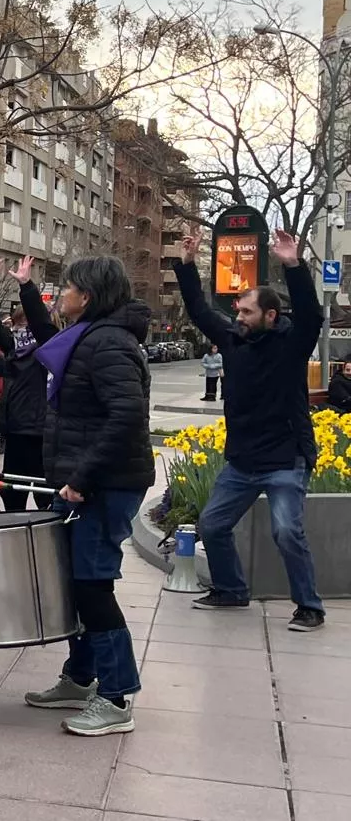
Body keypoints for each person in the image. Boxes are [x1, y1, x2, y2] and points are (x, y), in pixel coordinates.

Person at [22, 254, 154, 737]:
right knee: (73, 584)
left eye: (67, 287)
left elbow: (126, 418)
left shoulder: (110, 345)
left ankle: (116, 697)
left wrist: (82, 478)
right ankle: (80, 677)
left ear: (89, 296)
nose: (60, 295)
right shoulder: (87, 337)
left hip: (104, 485)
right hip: (85, 482)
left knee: (93, 587)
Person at [174, 229, 326, 632]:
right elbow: (198, 309)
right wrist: (187, 264)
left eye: (246, 312)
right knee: (212, 525)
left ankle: (309, 607)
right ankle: (230, 590)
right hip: (242, 461)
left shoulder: (292, 344)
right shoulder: (231, 340)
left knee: (286, 532)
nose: (237, 317)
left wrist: (293, 265)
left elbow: (312, 315)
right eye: (237, 311)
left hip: (285, 459)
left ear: (270, 316)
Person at [0, 257, 58, 511]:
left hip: (40, 433)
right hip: (14, 431)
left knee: (45, 495)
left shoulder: (49, 348)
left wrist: (26, 286)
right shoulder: (15, 351)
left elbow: (41, 324)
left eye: (25, 325)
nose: (21, 330)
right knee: (12, 495)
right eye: (18, 324)